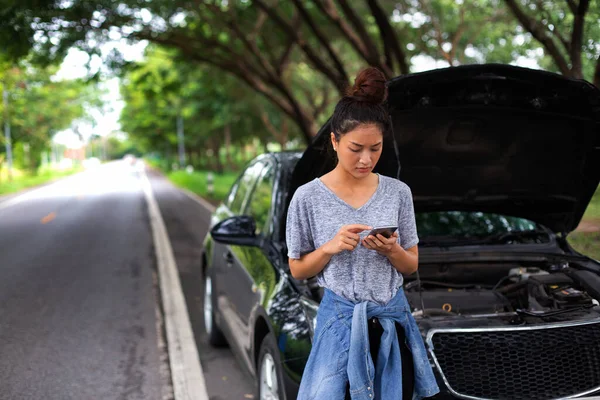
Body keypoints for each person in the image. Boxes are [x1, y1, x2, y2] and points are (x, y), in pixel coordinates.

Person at [285, 67, 440, 400]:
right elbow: (297, 269)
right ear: (334, 140)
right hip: (339, 326)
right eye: (356, 148)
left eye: (376, 148)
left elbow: (410, 265)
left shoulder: (398, 192)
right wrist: (329, 248)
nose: (366, 159)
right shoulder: (308, 197)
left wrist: (391, 251)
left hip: (392, 325)